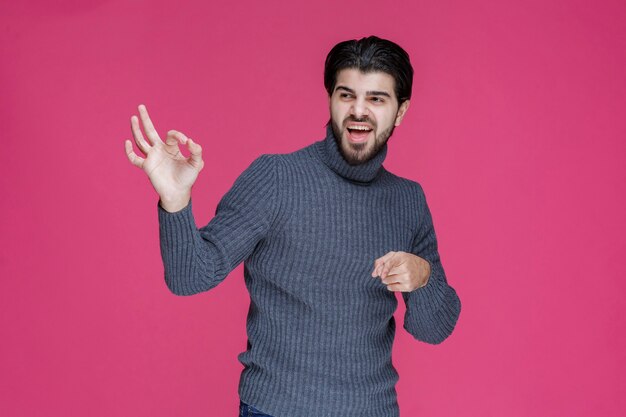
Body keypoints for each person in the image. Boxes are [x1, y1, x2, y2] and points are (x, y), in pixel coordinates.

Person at [125, 36, 461, 417]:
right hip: (276, 408)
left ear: (400, 111)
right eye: (346, 95)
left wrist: (424, 276)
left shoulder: (407, 201)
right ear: (331, 99)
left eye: (377, 99)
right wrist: (176, 201)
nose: (358, 111)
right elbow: (190, 277)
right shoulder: (276, 178)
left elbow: (436, 328)